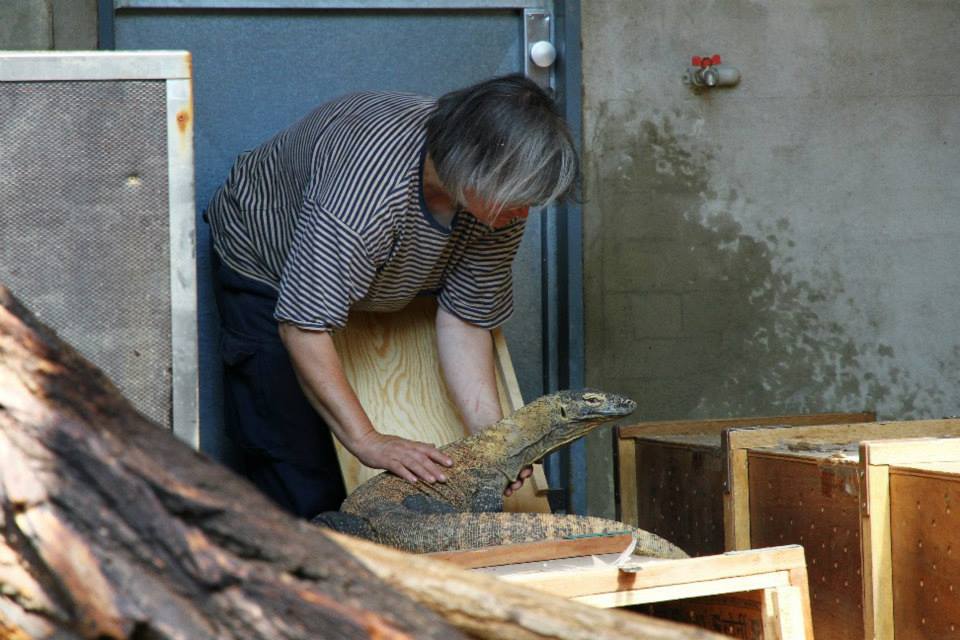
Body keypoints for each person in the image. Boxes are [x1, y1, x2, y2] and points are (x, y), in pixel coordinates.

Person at [205, 74, 578, 518]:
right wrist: (368, 440)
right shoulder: (366, 194)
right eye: (516, 201)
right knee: (294, 457)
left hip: (384, 264)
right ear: (470, 170)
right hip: (268, 260)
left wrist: (496, 441)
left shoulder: (499, 200)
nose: (523, 213)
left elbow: (465, 318)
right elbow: (303, 326)